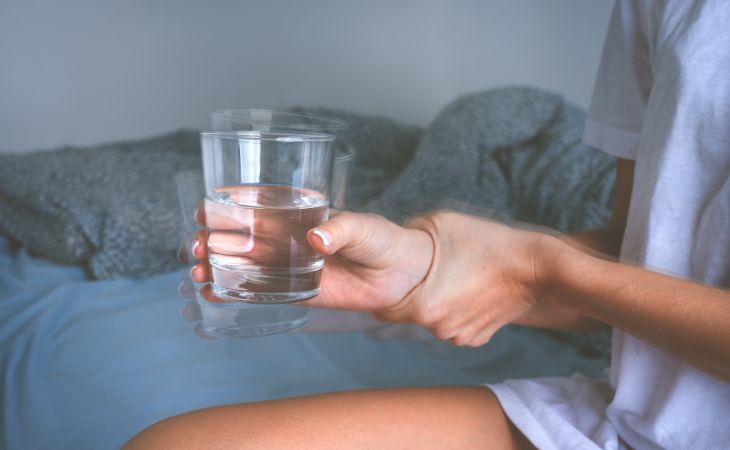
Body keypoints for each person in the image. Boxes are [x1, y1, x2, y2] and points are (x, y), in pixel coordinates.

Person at [126, 1, 730, 448]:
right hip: (634, 422)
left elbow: (573, 278)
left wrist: (537, 268)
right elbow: (638, 265)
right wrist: (418, 278)